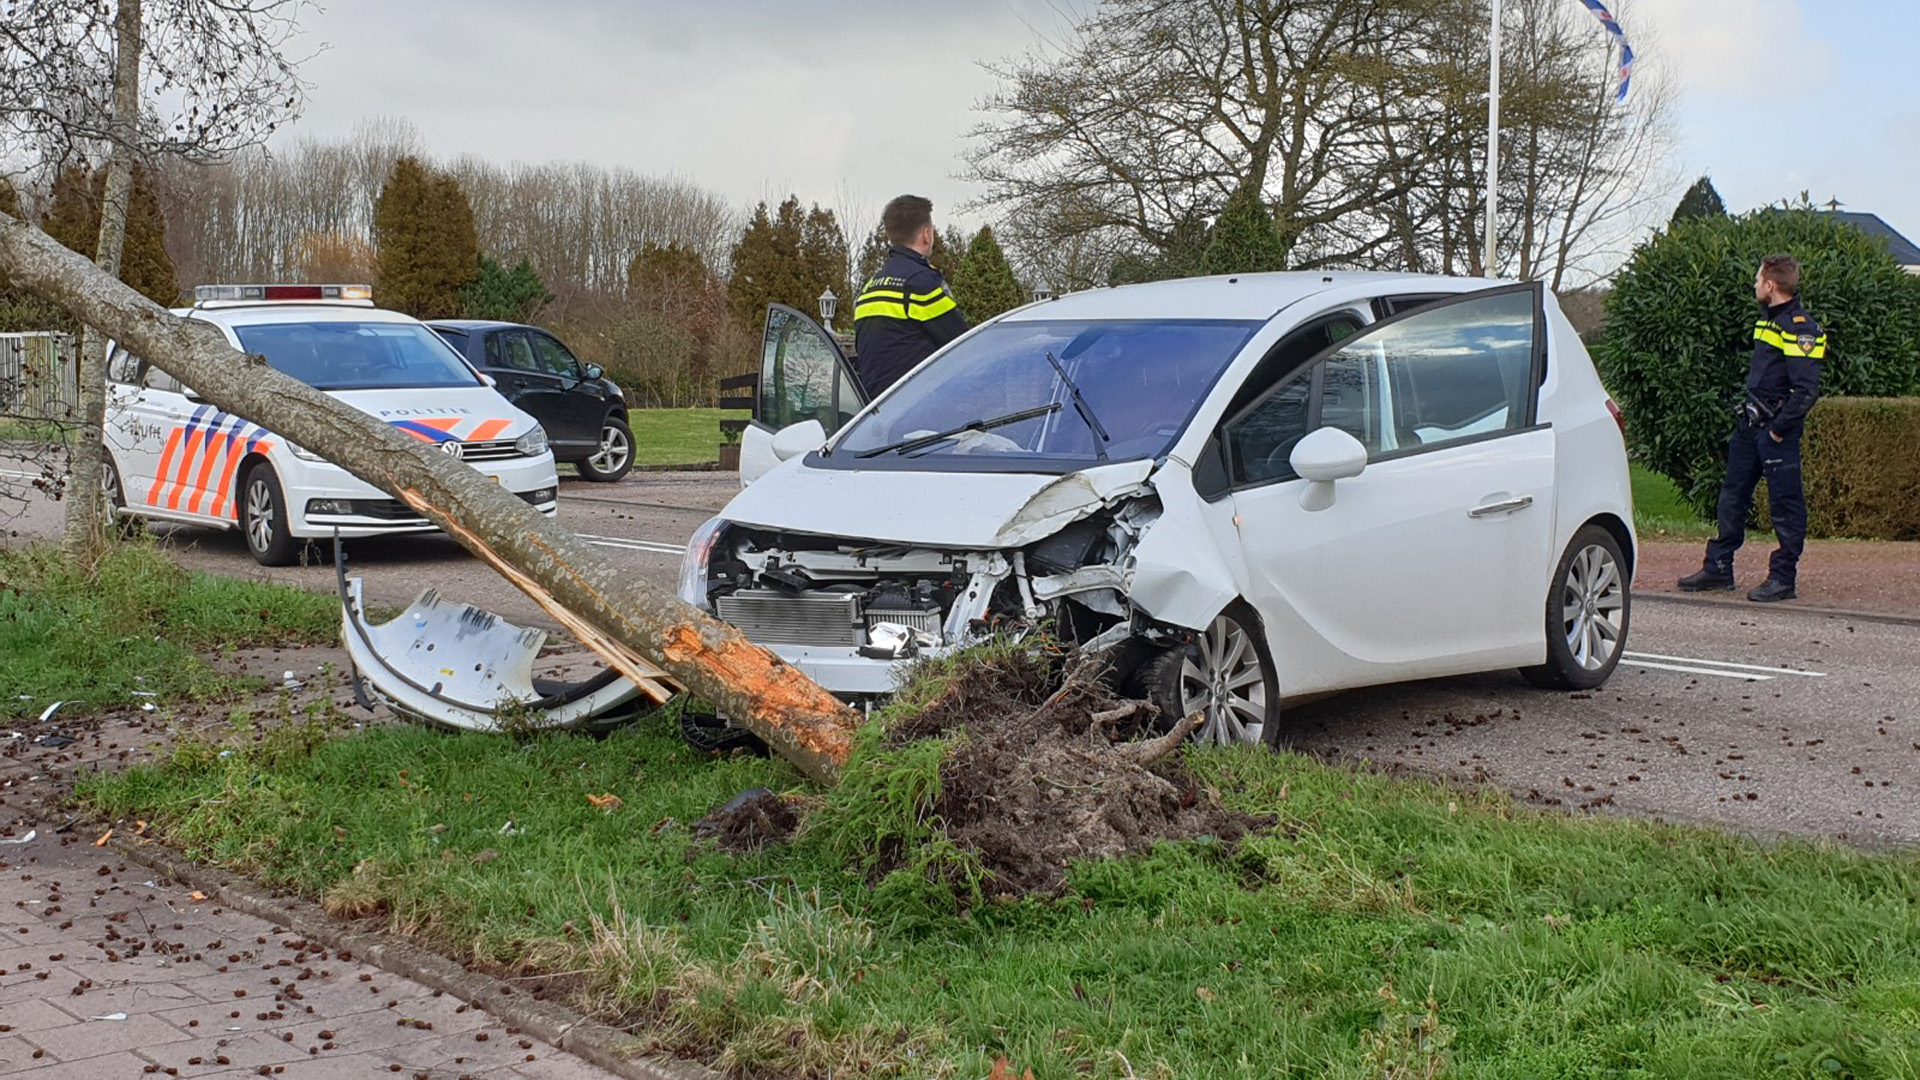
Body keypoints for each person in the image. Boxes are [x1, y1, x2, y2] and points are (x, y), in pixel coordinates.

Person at [1678, 254, 1825, 602]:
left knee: (1785, 505)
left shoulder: (1801, 327)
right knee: (1732, 495)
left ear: (1771, 285)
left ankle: (1783, 577)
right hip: (1750, 424)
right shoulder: (1769, 321)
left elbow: (1806, 391)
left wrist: (1777, 430)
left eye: (1759, 280)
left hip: (1776, 431)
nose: (1755, 285)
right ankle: (1718, 567)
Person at [853, 195, 970, 396]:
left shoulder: (869, 288)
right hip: (918, 408)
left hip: (875, 412)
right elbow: (962, 344)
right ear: (926, 234)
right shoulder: (922, 282)